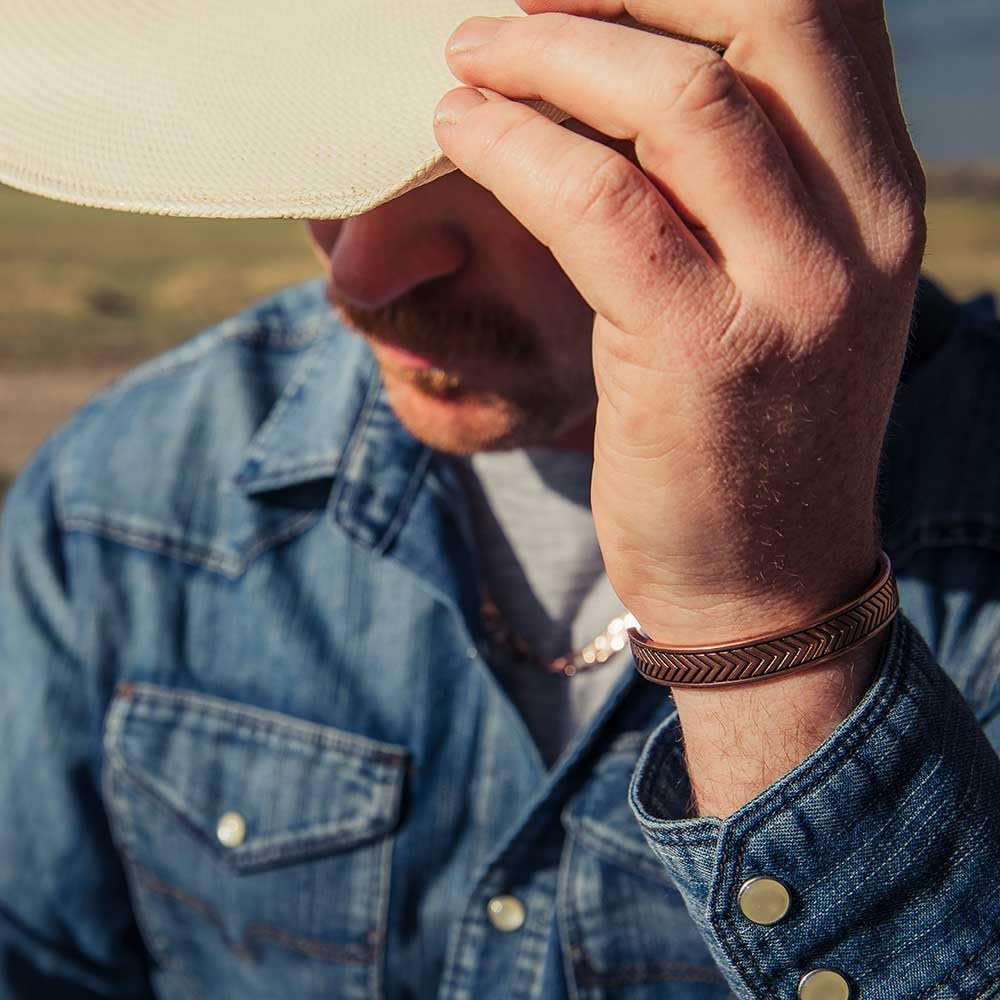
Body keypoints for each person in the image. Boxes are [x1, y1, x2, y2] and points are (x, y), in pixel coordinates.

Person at [1, 1, 999, 997]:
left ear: (796, 104)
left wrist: (764, 623)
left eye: (515, 137)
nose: (362, 268)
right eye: (316, 146)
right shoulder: (123, 499)